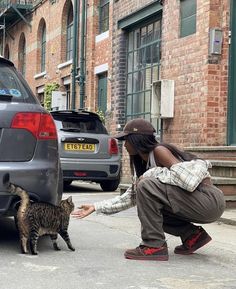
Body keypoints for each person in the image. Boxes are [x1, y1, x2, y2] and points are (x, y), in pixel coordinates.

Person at [72, 118, 226, 261]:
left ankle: (153, 246)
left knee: (145, 186)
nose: (124, 145)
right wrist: (95, 207)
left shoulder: (159, 151)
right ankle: (192, 236)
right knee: (146, 200)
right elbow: (131, 197)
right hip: (197, 203)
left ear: (136, 139)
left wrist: (150, 176)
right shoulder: (145, 162)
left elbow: (188, 181)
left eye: (126, 140)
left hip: (209, 200)